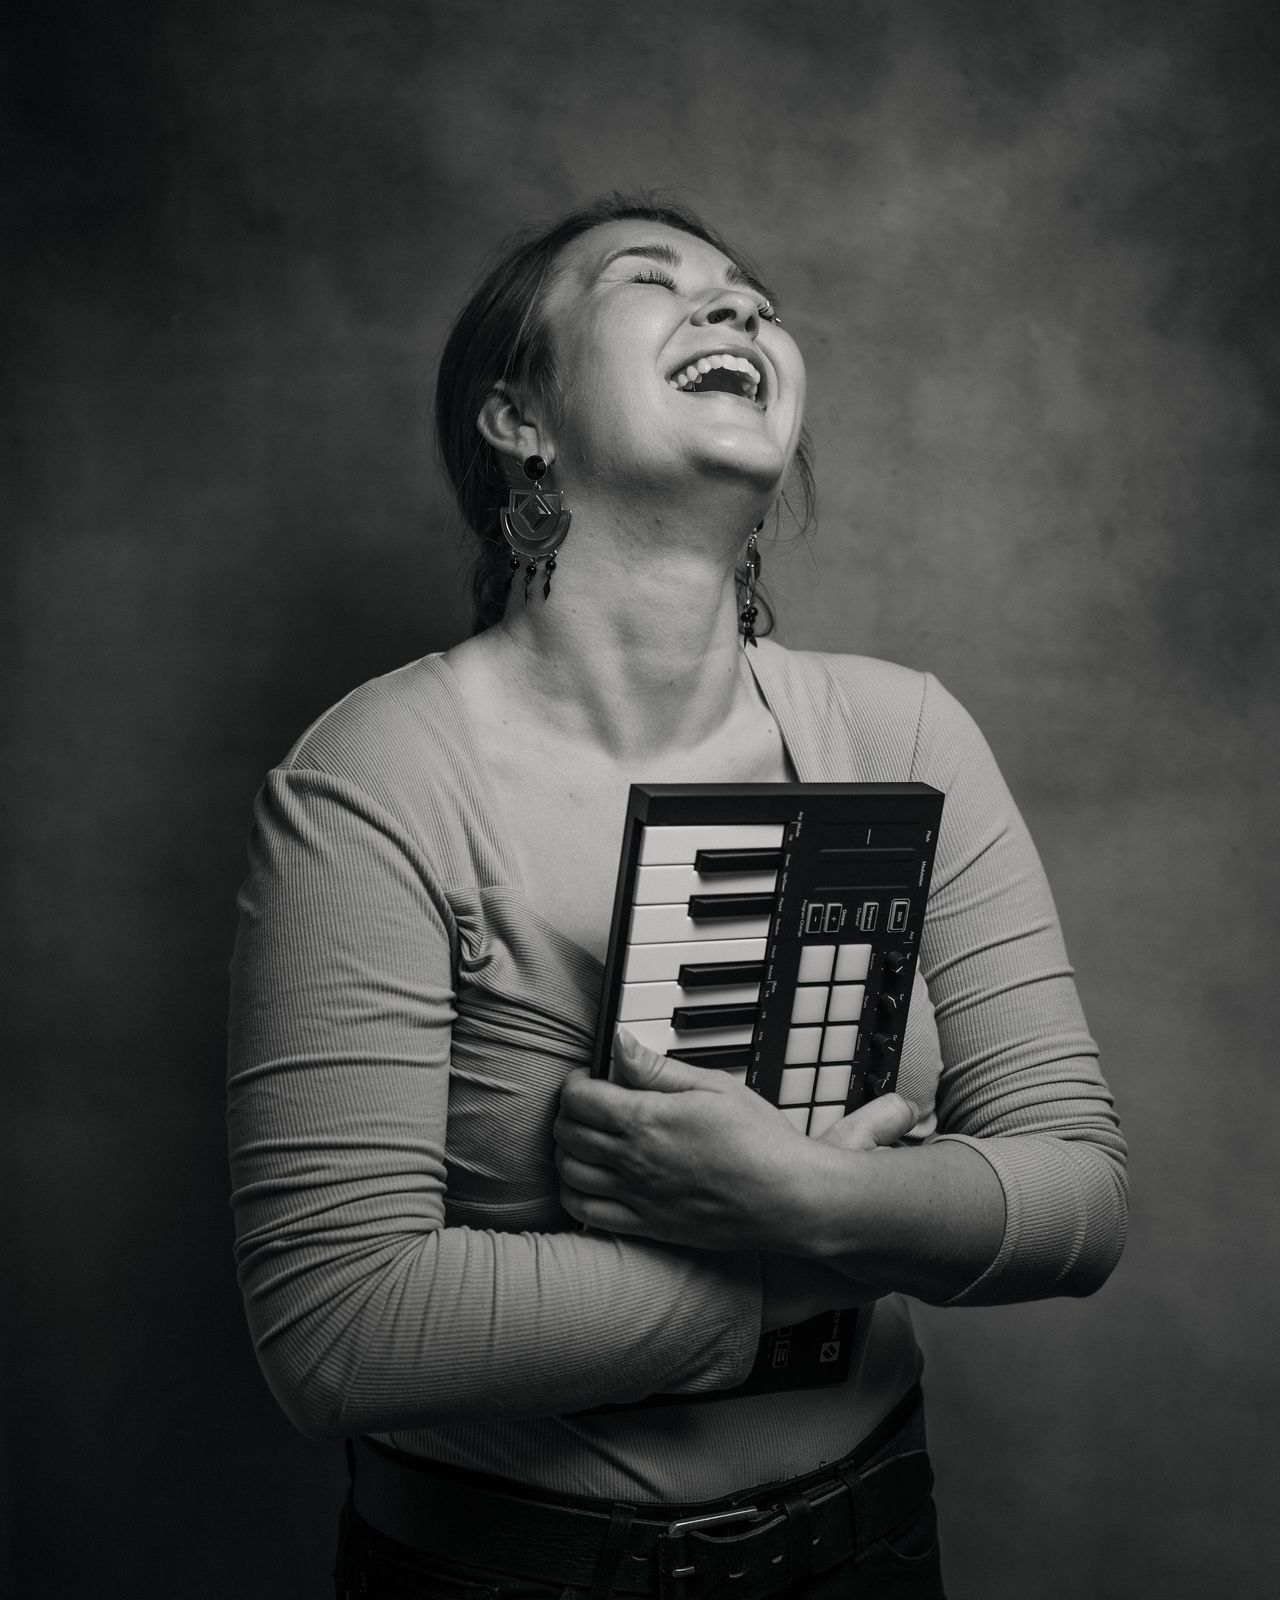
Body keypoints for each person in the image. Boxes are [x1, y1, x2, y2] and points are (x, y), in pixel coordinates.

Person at [227, 194, 1128, 1599]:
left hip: (873, 1549)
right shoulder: (376, 777)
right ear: (518, 418)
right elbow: (338, 1329)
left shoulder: (904, 736)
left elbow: (1081, 1188)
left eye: (753, 294)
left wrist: (808, 1194)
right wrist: (817, 1243)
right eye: (650, 279)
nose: (739, 305)